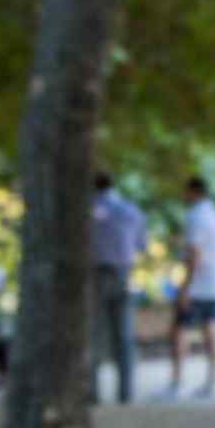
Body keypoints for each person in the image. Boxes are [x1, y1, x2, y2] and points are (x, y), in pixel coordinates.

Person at [158, 176, 215, 401]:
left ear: (193, 192)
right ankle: (212, 381)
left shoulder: (196, 215)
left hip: (198, 284)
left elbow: (195, 253)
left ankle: (176, 383)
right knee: (212, 325)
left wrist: (185, 287)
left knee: (179, 330)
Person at [91, 172, 147, 404]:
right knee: (124, 337)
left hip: (94, 276)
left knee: (92, 334)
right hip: (124, 273)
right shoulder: (131, 210)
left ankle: (91, 393)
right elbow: (141, 244)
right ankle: (126, 393)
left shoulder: (85, 210)